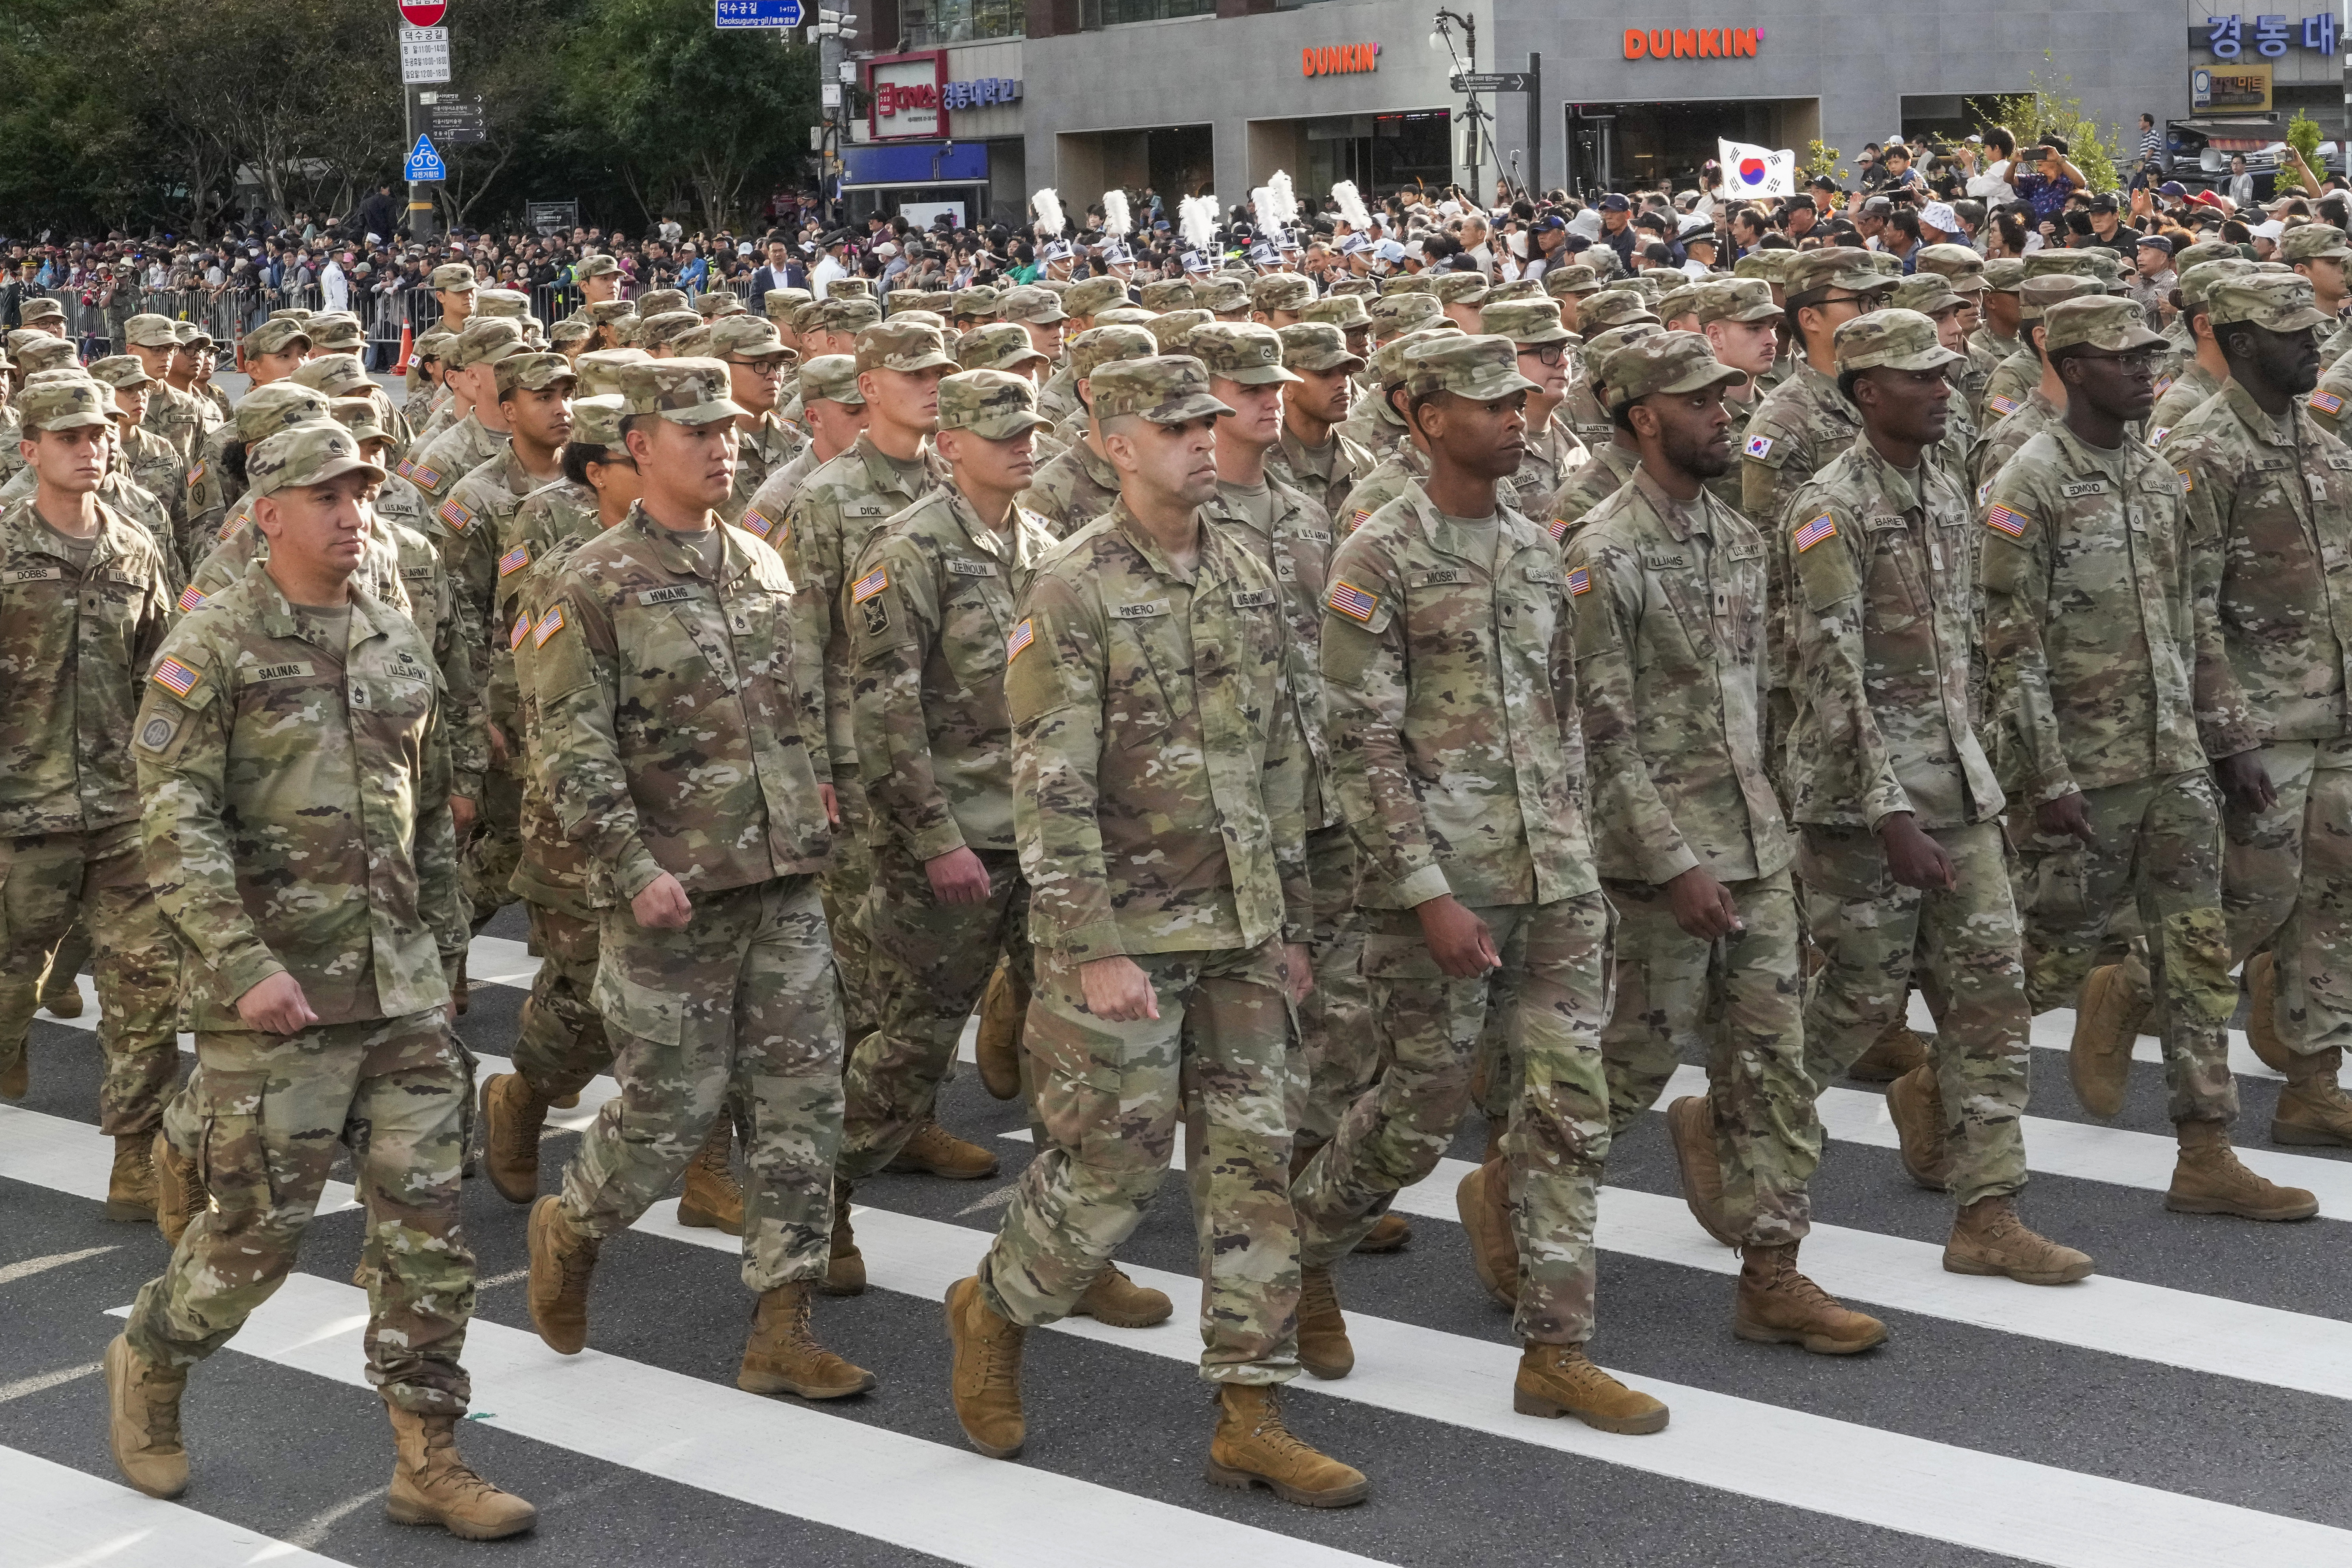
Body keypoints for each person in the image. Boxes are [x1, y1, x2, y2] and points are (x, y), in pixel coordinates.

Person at [943, 355, 1365, 1504]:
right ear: (1115, 446)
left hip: (1241, 927)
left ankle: (1250, 1410)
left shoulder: (1243, 567)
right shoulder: (1072, 585)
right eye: (1174, 427)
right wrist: (1092, 946)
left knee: (1255, 1169)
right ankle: (997, 1307)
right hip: (1127, 929)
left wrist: (1289, 920)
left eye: (1205, 422)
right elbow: (1051, 784)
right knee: (1112, 1168)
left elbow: (1281, 758)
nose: (1201, 441)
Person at [109, 419, 533, 1539]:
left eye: (364, 494)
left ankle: (429, 1458)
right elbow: (176, 823)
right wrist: (243, 963)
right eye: (327, 497)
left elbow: (428, 812)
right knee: (255, 1241)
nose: (354, 515)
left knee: (427, 1239)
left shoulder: (394, 634)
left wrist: (442, 953)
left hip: (399, 993)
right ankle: (152, 1355)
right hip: (277, 1000)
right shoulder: (215, 643)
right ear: (270, 515)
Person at [1301, 333, 1665, 1431]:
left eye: (1520, 400)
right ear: (1425, 418)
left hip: (1555, 879)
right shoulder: (1379, 554)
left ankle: (1557, 1348)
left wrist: (1583, 856)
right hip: (1444, 887)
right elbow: (1358, 741)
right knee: (1416, 1115)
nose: (1516, 417)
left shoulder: (1535, 546)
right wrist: (1426, 892)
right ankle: (1299, 1249)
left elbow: (1567, 712)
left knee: (1567, 1114)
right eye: (1489, 403)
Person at [524, 358, 873, 1397]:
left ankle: (782, 1328)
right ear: (639, 447)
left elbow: (803, 698)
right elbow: (569, 746)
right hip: (671, 894)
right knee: (668, 1116)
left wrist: (824, 792)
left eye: (728, 429)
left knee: (804, 1106)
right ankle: (573, 1225)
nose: (723, 446)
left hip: (782, 881)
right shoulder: (591, 580)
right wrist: (630, 867)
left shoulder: (760, 561)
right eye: (697, 432)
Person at [1565, 329, 1888, 1354]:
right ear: (1643, 417)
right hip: (1656, 870)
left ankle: (1773, 1273)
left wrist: (1777, 829)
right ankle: (1516, 1201)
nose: (1725, 414)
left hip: (1754, 851)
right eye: (1700, 402)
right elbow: (1601, 735)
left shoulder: (1740, 539)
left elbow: (1761, 701)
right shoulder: (1602, 554)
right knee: (1618, 1073)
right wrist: (1674, 863)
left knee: (1772, 1071)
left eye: (1727, 397)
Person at [1978, 295, 2318, 1222]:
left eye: (2148, 356)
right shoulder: (2028, 483)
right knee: (2047, 964)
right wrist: (2045, 776)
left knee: (2197, 955)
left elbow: (2193, 620)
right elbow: (2007, 648)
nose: (2143, 371)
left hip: (2173, 764)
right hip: (2081, 775)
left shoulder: (2158, 477)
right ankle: (1936, 1096)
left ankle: (2206, 1153)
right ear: (2071, 367)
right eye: (2121, 358)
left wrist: (2228, 737)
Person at [1784, 308, 2092, 1282]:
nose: (1941, 390)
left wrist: (2011, 774)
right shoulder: (1828, 509)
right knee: (1857, 1000)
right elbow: (1831, 675)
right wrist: (1889, 814)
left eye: (1944, 373)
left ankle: (1987, 1215)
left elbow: (1970, 649)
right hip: (1862, 806)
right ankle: (1744, 1123)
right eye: (1919, 377)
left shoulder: (1946, 488)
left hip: (1961, 791)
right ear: (1866, 391)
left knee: (1992, 1000)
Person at [2149, 273, 2352, 1148]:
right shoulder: (2201, 452)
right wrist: (2226, 734)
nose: (2313, 343)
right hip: (2258, 723)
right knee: (2253, 899)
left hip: (2333, 713)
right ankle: (2131, 991)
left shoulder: (2323, 445)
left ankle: (2313, 1083)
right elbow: (2185, 605)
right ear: (2238, 343)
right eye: (2289, 332)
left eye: (2313, 328)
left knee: (2333, 901)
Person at [0, 378, 181, 1229]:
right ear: (30, 448)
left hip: (123, 811)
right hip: (18, 813)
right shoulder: (4, 545)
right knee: (10, 980)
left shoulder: (135, 549)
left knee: (146, 989)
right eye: (68, 436)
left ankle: (136, 1158)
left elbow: (163, 673)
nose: (89, 447)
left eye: (98, 434)